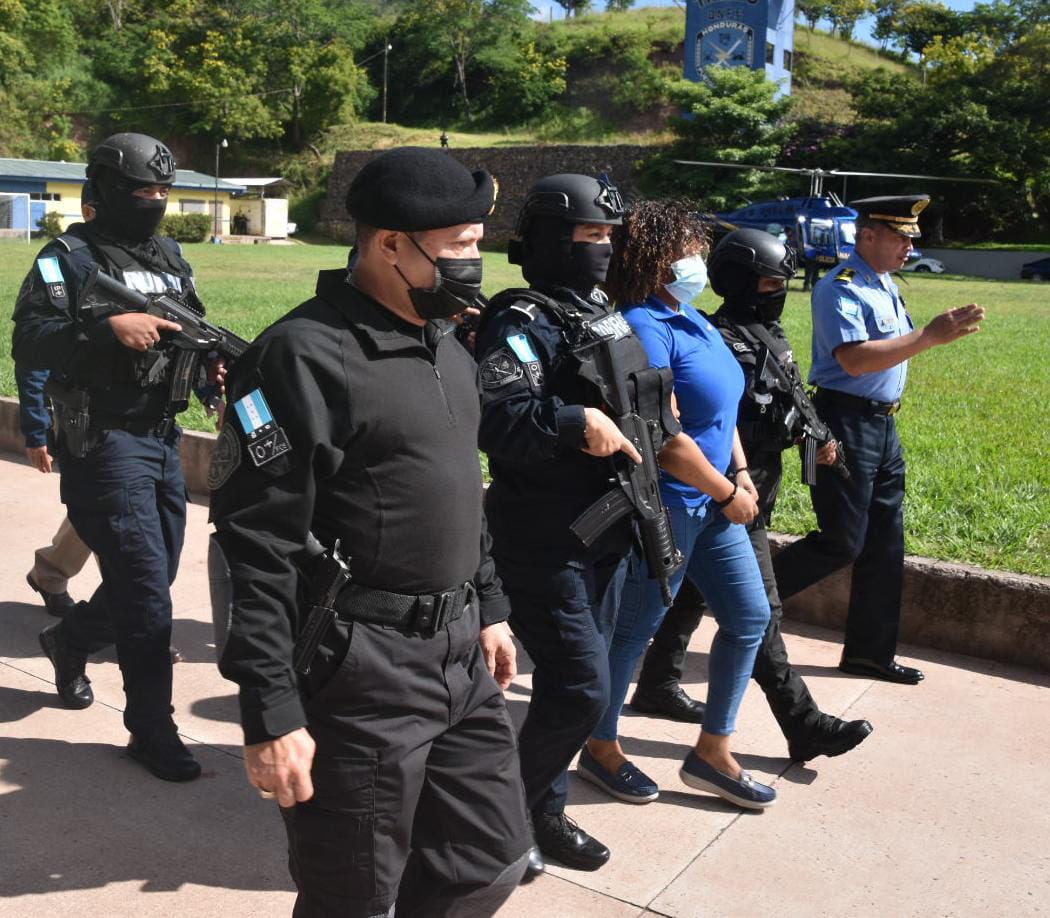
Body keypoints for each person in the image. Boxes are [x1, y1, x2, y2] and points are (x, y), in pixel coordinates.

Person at [208, 146, 531, 916]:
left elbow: (459, 491)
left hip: (458, 656)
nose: (473, 262)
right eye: (457, 246)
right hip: (361, 674)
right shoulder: (301, 356)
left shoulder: (448, 342)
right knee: (350, 896)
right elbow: (257, 547)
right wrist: (270, 712)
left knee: (490, 860)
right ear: (390, 244)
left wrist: (486, 604)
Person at [476, 173, 684, 870]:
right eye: (589, 236)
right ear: (551, 242)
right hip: (545, 534)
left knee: (580, 686)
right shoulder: (521, 319)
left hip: (607, 529)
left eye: (607, 236)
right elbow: (499, 419)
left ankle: (544, 812)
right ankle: (499, 821)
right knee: (580, 687)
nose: (603, 248)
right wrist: (573, 423)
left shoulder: (602, 310)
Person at [12, 133, 219, 782]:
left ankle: (67, 641)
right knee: (146, 595)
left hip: (163, 438)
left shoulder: (170, 255)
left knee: (146, 583)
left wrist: (214, 373)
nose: (154, 203)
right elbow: (32, 340)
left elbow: (195, 328)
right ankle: (150, 728)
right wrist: (104, 329)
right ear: (102, 190)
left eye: (162, 192)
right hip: (103, 441)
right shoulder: (65, 258)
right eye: (141, 192)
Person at [630, 228, 873, 763]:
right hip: (713, 488)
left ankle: (656, 682)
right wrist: (753, 458)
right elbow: (711, 422)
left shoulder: (766, 332)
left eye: (781, 281)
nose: (775, 291)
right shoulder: (712, 333)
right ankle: (803, 722)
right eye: (766, 281)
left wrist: (816, 435)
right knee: (757, 612)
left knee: (694, 595)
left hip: (749, 484)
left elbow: (786, 395)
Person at [582, 200, 776, 811]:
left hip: (716, 503)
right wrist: (725, 491)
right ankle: (600, 745)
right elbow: (660, 435)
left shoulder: (692, 316)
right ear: (652, 258)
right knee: (632, 632)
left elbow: (721, 414)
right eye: (684, 249)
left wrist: (738, 475)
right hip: (665, 509)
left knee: (749, 619)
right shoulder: (643, 325)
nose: (696, 260)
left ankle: (713, 751)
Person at [773, 195, 985, 684]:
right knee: (842, 541)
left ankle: (869, 653)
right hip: (841, 422)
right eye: (900, 237)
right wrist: (929, 336)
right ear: (867, 236)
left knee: (885, 544)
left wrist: (928, 337)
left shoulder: (884, 284)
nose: (909, 248)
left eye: (913, 239)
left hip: (883, 426)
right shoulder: (839, 287)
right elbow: (855, 361)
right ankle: (739, 601)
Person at [20, 181, 98, 617]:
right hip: (81, 418)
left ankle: (50, 570)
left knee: (105, 512)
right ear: (89, 210)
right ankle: (133, 619)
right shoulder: (61, 261)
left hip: (139, 422)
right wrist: (35, 429)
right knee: (115, 516)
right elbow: (34, 353)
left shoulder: (149, 256)